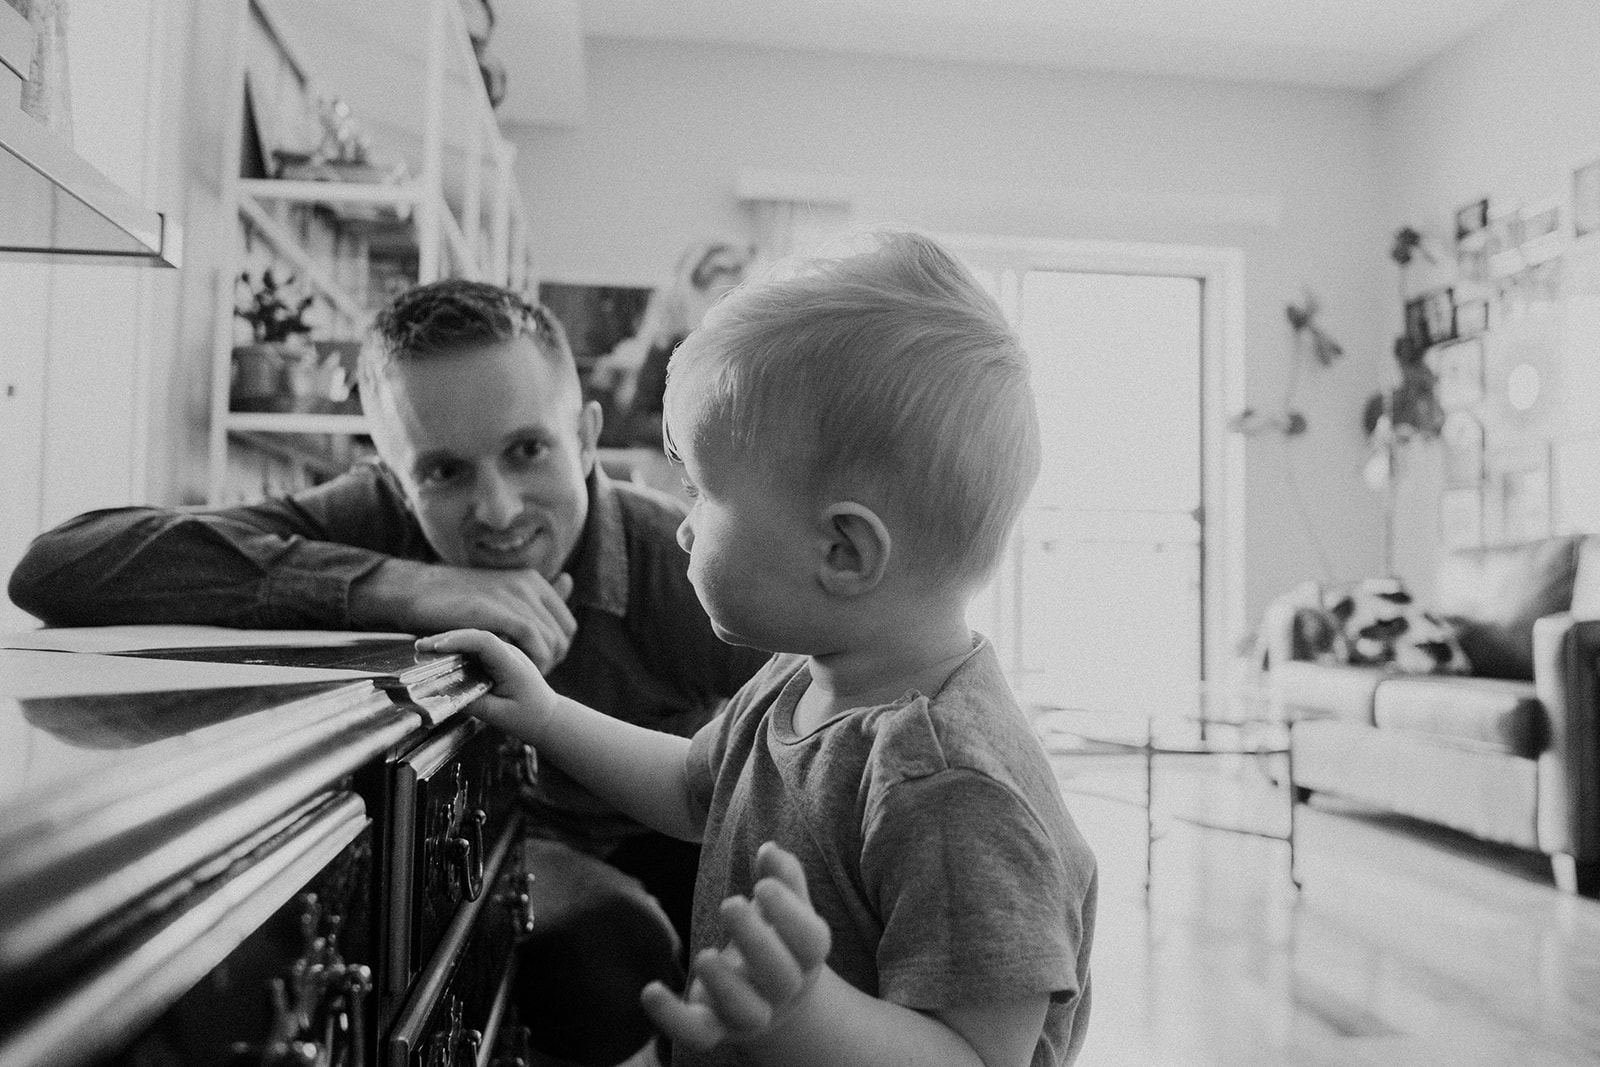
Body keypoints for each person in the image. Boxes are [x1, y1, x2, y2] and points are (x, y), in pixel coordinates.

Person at [7, 279, 770, 1067]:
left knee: (619, 945)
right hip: (460, 875)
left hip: (648, 857)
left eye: (527, 449)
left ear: (584, 435)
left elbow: (827, 724)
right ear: (397, 475)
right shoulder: (377, 517)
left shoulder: (685, 562)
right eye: (444, 472)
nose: (499, 510)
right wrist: (405, 584)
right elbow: (60, 566)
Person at [418, 232, 1098, 1067]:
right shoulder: (805, 678)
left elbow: (977, 1056)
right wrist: (548, 715)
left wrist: (803, 1013)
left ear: (844, 550)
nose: (683, 520)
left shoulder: (950, 783)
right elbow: (693, 789)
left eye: (705, 491)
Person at [589, 241, 755, 447]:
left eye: (735, 299)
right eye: (720, 299)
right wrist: (694, 431)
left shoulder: (749, 354)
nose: (728, 311)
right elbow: (636, 422)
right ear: (698, 296)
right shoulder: (668, 348)